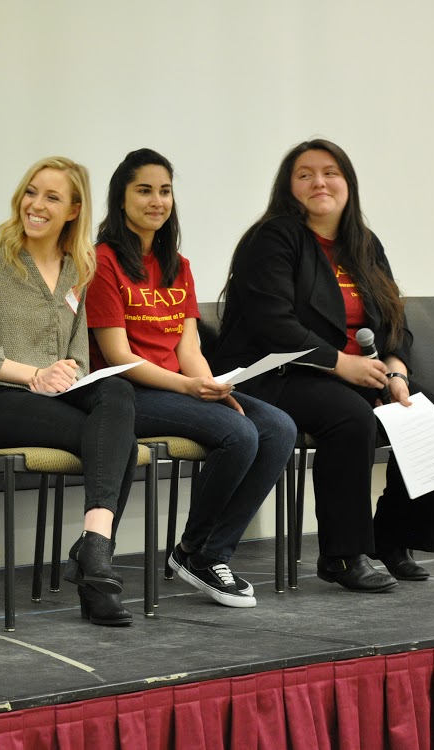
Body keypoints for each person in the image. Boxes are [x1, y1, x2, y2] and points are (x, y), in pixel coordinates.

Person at [213, 138, 434, 592]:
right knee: (350, 416)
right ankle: (342, 556)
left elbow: (393, 319)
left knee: (430, 411)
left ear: (348, 183)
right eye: (305, 175)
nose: (318, 182)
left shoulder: (364, 244)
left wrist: (396, 372)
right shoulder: (271, 239)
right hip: (274, 371)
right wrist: (340, 365)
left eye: (330, 173)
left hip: (353, 372)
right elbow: (273, 325)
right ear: (289, 187)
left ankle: (393, 538)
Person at [86, 148, 296, 608]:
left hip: (179, 388)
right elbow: (118, 355)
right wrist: (187, 386)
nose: (157, 201)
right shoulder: (102, 262)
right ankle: (199, 553)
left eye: (165, 191)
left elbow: (189, 349)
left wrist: (213, 387)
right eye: (144, 190)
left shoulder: (178, 266)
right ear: (121, 199)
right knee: (239, 433)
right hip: (128, 393)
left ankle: (203, 553)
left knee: (279, 427)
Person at [0, 156, 138, 626]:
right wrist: (32, 374)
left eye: (52, 197)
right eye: (31, 192)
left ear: (73, 210)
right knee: (119, 446)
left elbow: (79, 358)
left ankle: (95, 551)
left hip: (53, 396)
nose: (35, 204)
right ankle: (96, 568)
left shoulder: (78, 268)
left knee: (117, 395)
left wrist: (67, 373)